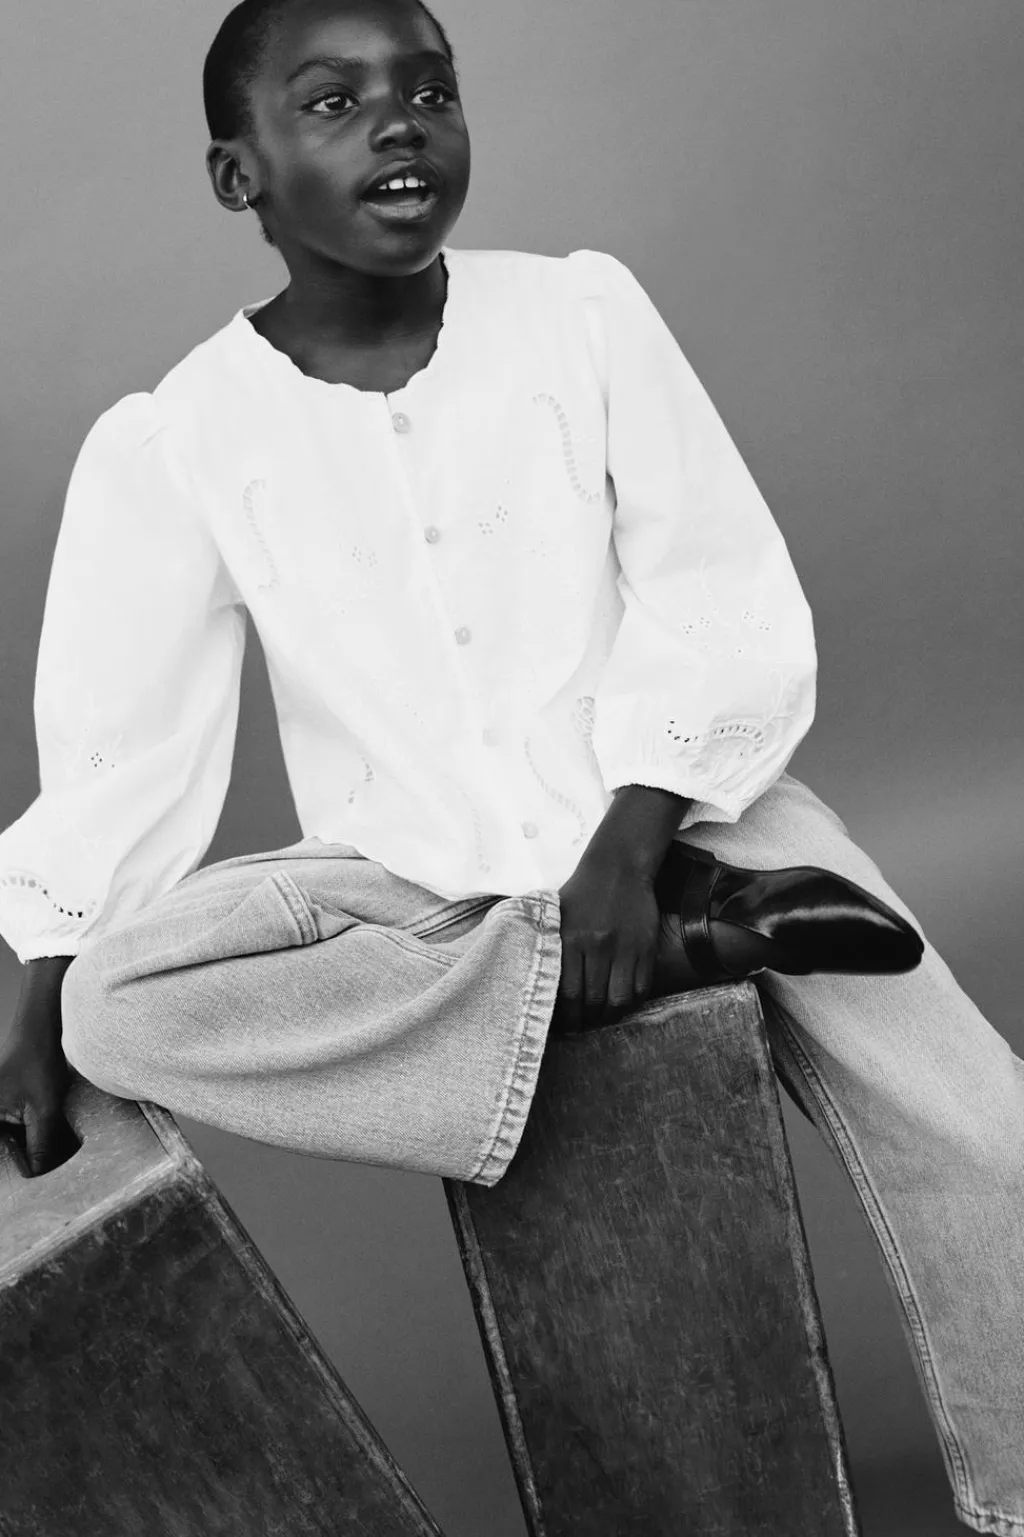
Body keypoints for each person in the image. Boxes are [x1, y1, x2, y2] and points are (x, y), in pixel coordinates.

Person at [0, 1, 1019, 1529]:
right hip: (413, 892)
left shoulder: (580, 316)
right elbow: (118, 747)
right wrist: (34, 1006)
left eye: (430, 90)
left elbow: (717, 594)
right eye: (334, 102)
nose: (398, 123)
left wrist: (627, 849)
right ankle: (639, 964)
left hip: (697, 831)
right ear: (237, 175)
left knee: (989, 1137)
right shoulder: (176, 439)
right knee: (121, 1006)